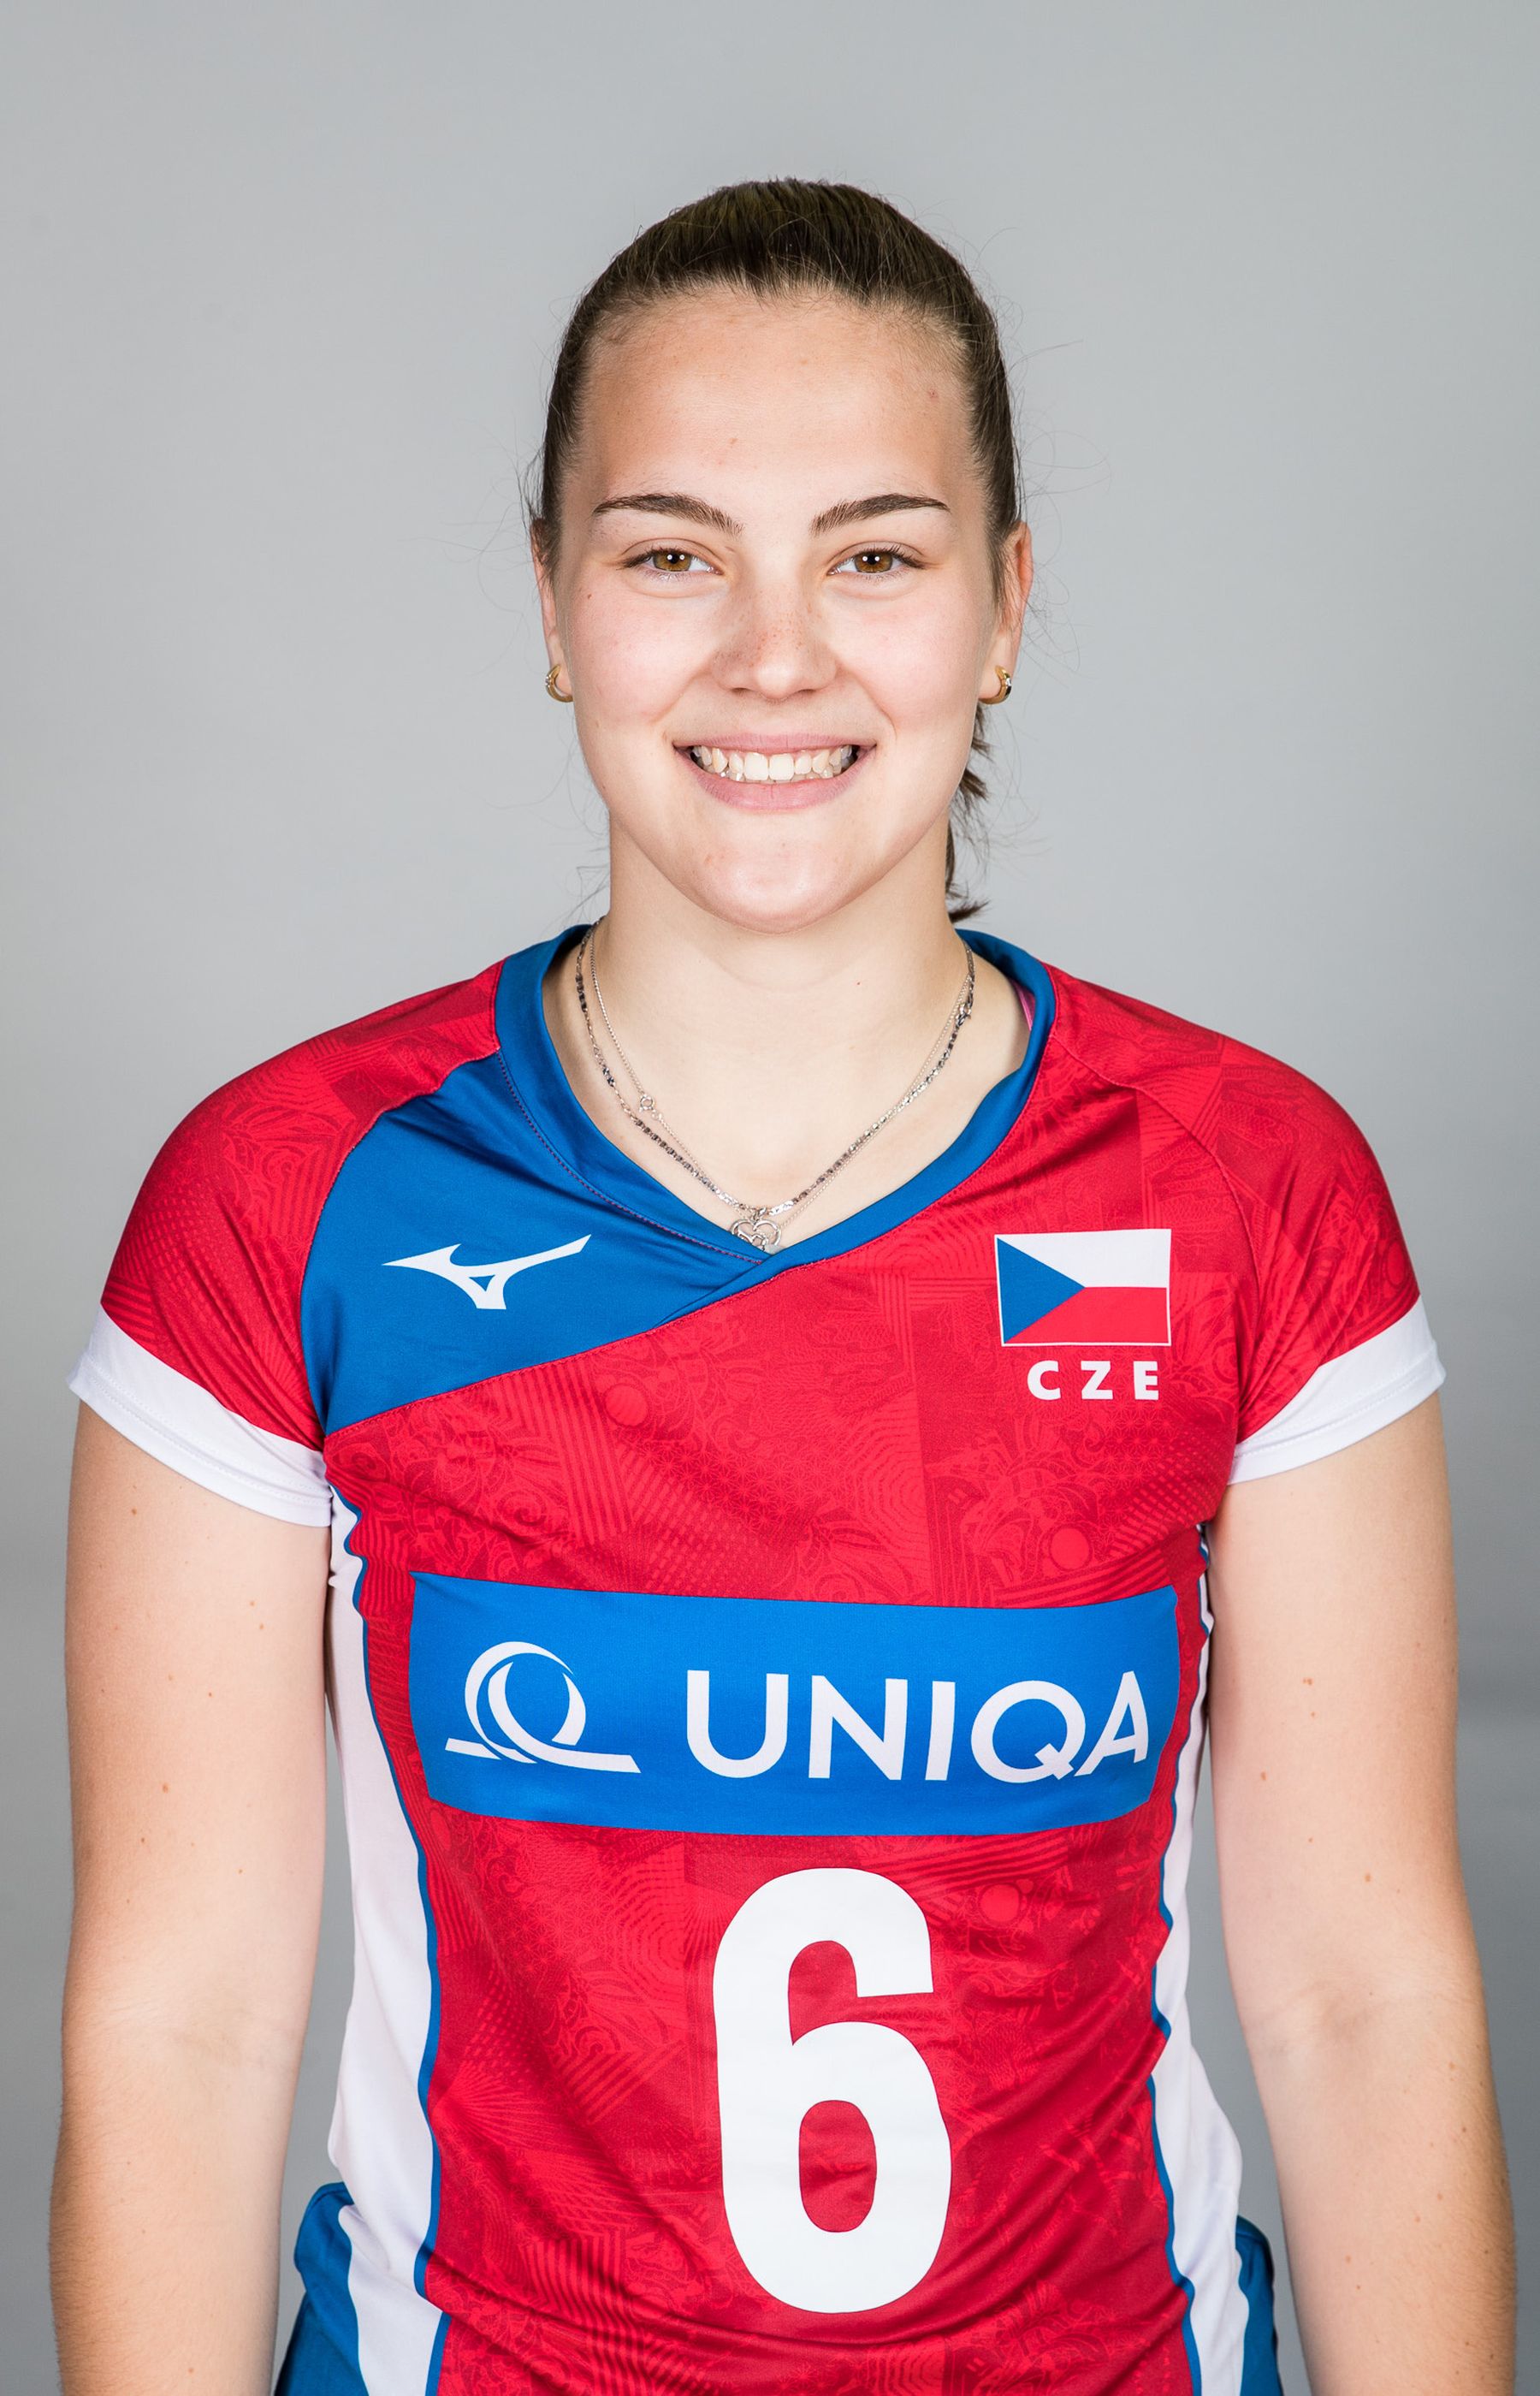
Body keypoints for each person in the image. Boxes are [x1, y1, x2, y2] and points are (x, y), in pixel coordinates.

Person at [50, 179, 1513, 2396]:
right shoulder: (290, 1201)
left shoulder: (1245, 1195)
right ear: (554, 602)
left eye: (875, 556)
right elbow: (183, 2027)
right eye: (670, 554)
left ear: (1005, 606)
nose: (773, 656)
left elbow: (1360, 2003)